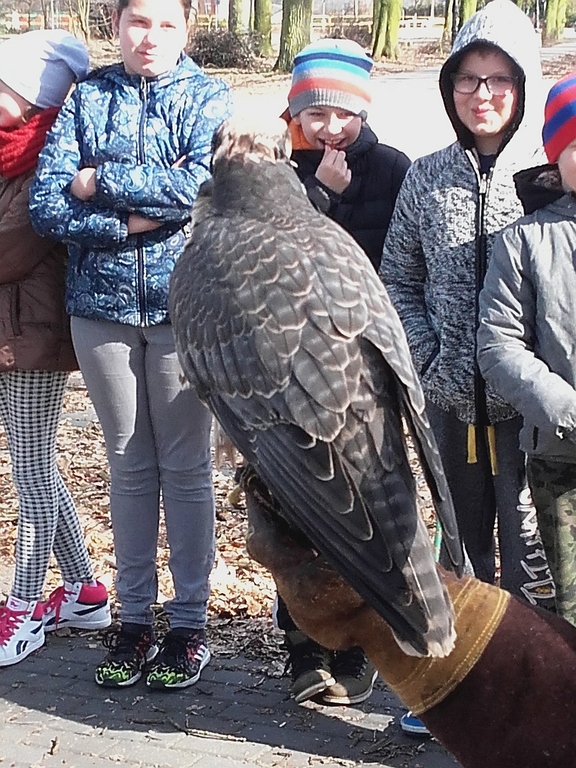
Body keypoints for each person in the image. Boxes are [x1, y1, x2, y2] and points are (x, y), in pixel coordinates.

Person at [30, 0, 232, 690]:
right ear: (114, 25)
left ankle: (188, 624)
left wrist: (102, 181)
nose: (150, 36)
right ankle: (135, 619)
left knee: (186, 467)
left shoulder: (209, 96)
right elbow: (49, 204)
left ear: (187, 30)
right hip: (100, 311)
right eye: (137, 21)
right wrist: (134, 225)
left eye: (166, 23)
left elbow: (204, 187)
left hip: (187, 310)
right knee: (126, 463)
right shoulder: (88, 97)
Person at [380, 0, 556, 610]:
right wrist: (430, 359)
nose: (483, 94)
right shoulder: (426, 177)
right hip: (450, 402)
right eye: (468, 78)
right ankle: (468, 681)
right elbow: (398, 278)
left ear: (522, 85)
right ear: (449, 84)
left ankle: (534, 684)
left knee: (533, 550)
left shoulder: (547, 179)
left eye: (499, 78)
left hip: (531, 409)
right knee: (462, 548)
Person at [275, 38, 411, 706]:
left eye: (343, 114)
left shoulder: (392, 168)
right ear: (296, 110)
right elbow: (269, 260)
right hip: (288, 371)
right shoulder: (274, 170)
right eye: (315, 113)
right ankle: (302, 642)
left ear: (363, 110)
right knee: (292, 513)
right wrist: (317, 196)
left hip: (363, 372)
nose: (330, 127)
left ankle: (357, 646)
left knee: (366, 511)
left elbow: (402, 267)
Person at [0, 30, 111, 668]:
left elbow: (11, 250)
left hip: (37, 337)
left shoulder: (50, 154)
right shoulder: (7, 153)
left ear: (31, 97)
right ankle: (85, 589)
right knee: (37, 462)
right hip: (8, 334)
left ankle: (24, 602)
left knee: (32, 468)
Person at [478, 69, 576, 628]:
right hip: (561, 456)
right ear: (555, 157)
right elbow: (498, 344)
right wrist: (564, 410)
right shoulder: (526, 241)